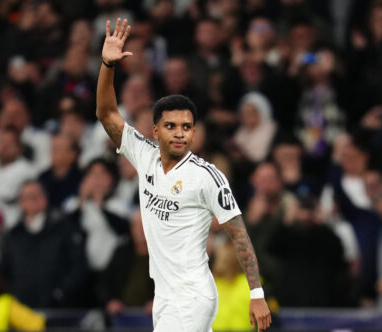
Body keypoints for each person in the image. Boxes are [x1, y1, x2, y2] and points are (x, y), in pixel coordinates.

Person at [95, 19, 271, 331]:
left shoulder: (207, 176)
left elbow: (239, 233)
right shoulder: (143, 155)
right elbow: (106, 114)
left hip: (192, 296)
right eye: (171, 126)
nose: (180, 134)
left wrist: (256, 294)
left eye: (186, 127)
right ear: (155, 130)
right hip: (164, 296)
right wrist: (107, 65)